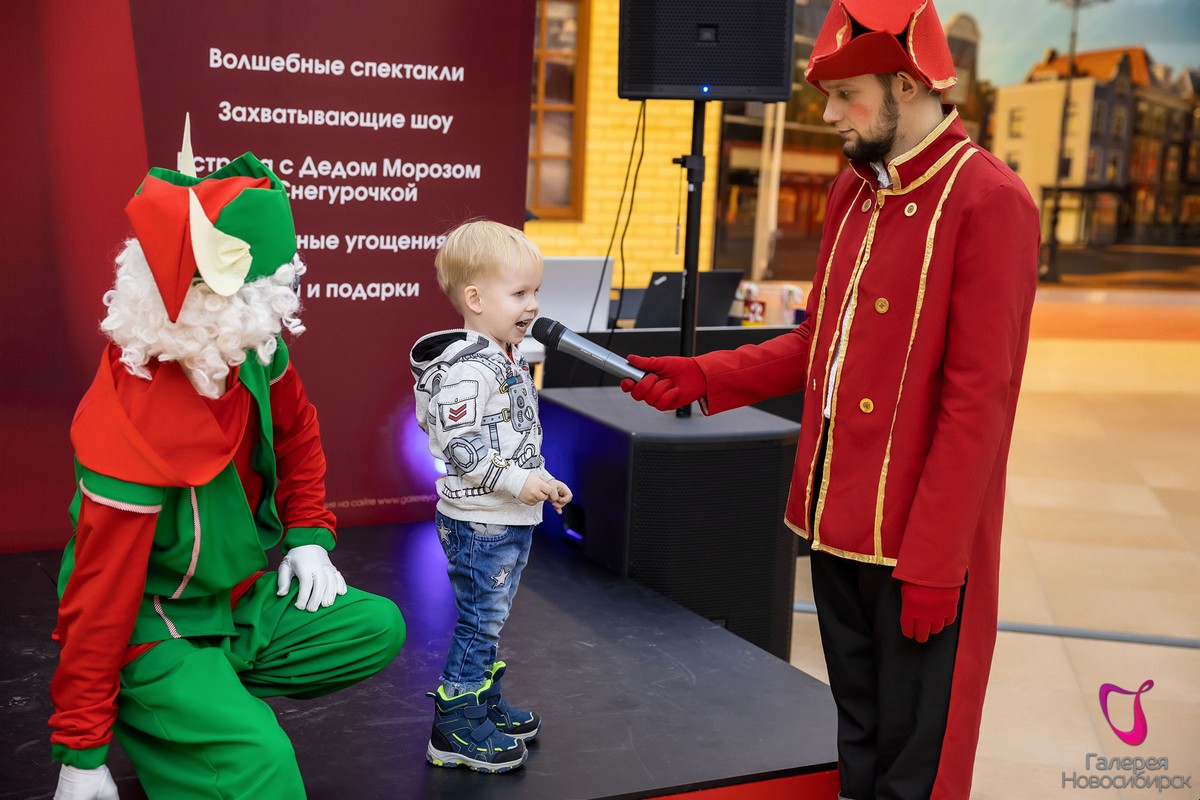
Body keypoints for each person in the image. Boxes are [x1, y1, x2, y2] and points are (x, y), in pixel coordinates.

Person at [620, 1, 1040, 797]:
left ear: (908, 84)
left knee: (915, 767)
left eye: (847, 95)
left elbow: (978, 404)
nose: (829, 115)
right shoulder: (853, 190)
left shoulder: (991, 200)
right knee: (857, 746)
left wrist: (936, 563)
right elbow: (822, 341)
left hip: (918, 541)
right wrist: (710, 374)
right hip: (835, 518)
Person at [49, 141, 406, 800]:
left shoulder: (251, 354)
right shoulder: (129, 429)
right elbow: (98, 603)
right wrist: (81, 752)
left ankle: (205, 699)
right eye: (270, 295)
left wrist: (307, 535)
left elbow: (298, 432)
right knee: (264, 766)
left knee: (373, 627)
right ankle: (163, 698)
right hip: (151, 626)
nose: (279, 313)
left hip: (233, 604)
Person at [409, 219, 572, 773]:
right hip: (481, 521)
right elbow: (463, 447)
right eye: (520, 293)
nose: (533, 305)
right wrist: (518, 482)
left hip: (505, 514)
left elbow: (513, 436)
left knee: (490, 620)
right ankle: (454, 723)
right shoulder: (469, 371)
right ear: (476, 299)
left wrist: (539, 477)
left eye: (536, 291)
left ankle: (481, 699)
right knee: (480, 622)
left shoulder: (505, 356)